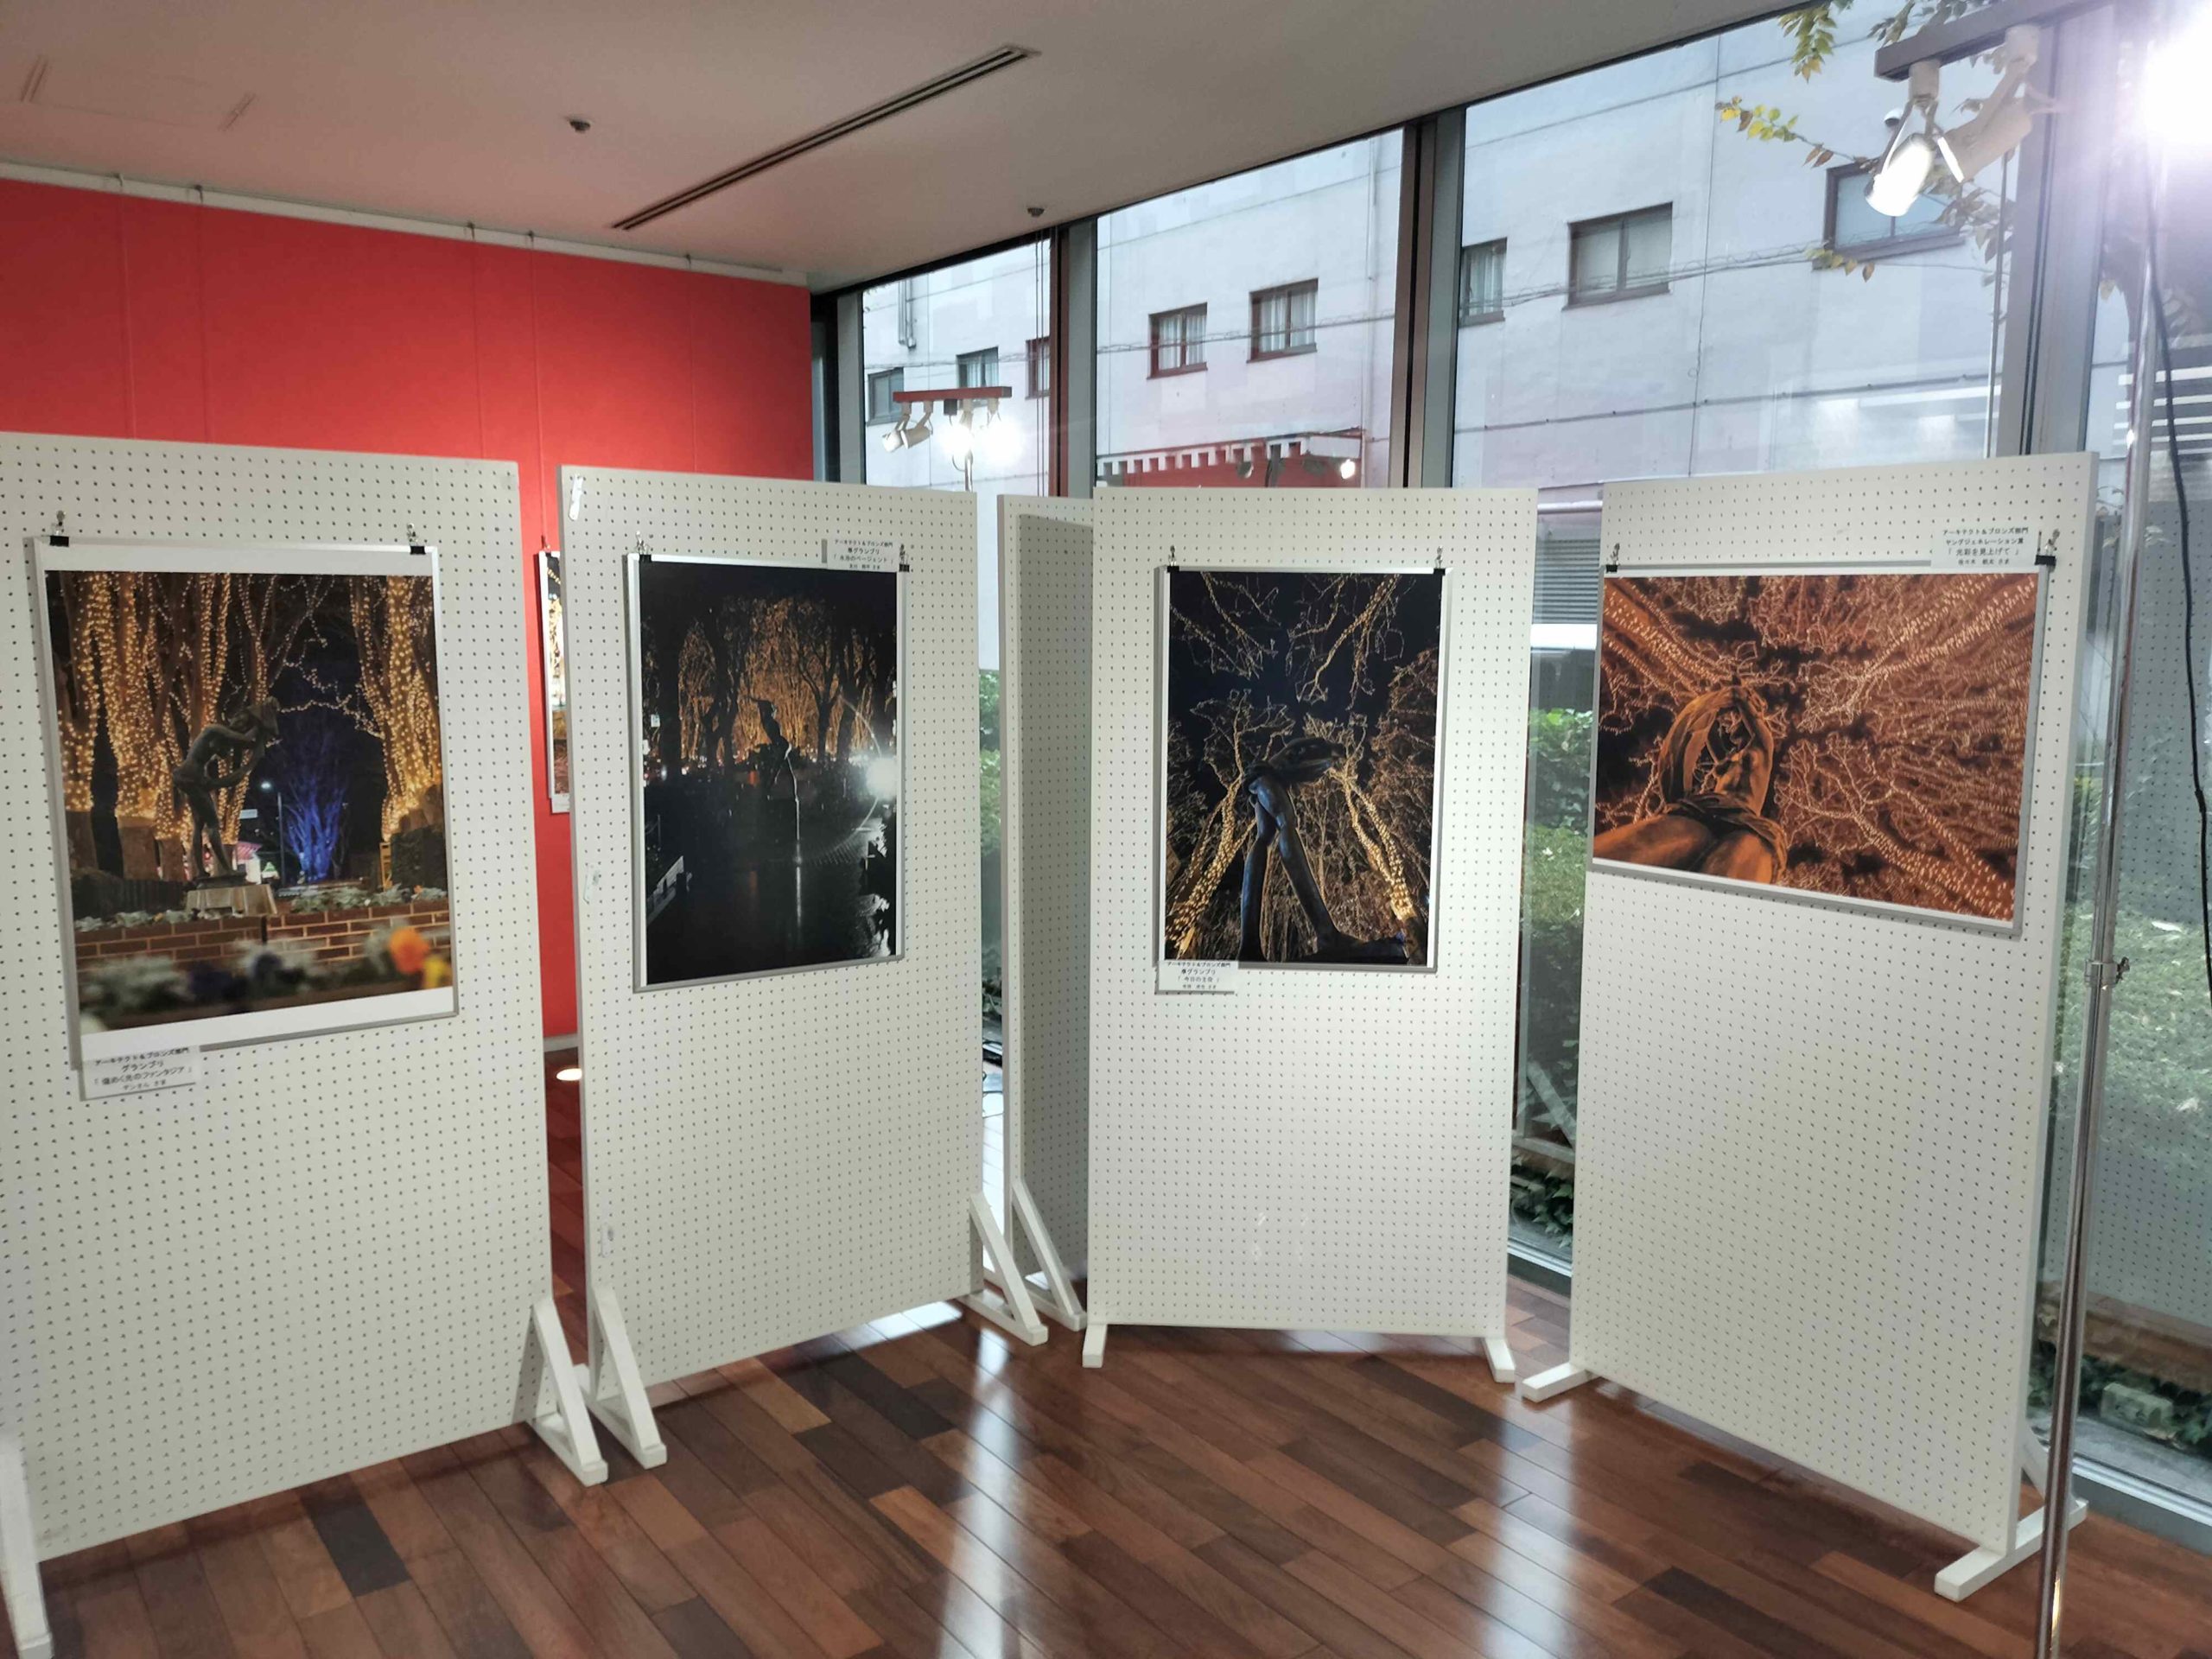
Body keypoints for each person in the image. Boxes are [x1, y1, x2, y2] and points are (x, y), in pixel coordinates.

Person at [1593, 682, 1784, 881]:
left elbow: (1758, 727)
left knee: (1739, 856)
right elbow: (1703, 734)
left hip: (1746, 820)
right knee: (1653, 842)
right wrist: (1715, 704)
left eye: (1739, 726)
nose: (1735, 727)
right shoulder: (1727, 759)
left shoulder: (1761, 751)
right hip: (1705, 808)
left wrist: (1742, 700)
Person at [174, 699, 279, 880]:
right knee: (213, 824)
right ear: (234, 717)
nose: (241, 726)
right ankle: (226, 870)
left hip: (193, 779)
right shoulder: (214, 729)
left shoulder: (220, 738)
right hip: (191, 778)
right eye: (241, 720)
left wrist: (258, 747)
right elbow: (245, 740)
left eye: (245, 725)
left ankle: (201, 872)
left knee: (199, 824)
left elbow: (244, 748)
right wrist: (260, 725)